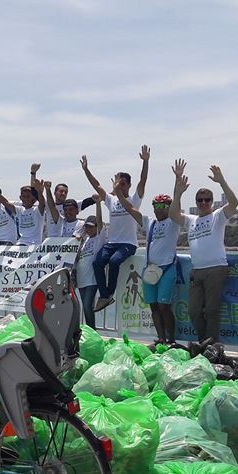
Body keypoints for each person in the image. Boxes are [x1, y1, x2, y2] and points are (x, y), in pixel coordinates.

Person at [170, 160, 238, 343]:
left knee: (211, 310)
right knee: (193, 311)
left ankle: (211, 344)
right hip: (197, 271)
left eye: (207, 200)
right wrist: (178, 191)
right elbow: (173, 215)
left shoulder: (217, 216)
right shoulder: (191, 220)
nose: (203, 203)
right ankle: (203, 342)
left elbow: (234, 202)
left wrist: (221, 180)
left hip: (216, 268)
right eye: (200, 200)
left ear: (212, 202)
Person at [82, 145, 151, 311]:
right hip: (112, 243)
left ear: (128, 185)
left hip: (128, 244)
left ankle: (108, 295)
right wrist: (86, 169)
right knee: (97, 263)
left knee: (114, 262)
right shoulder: (112, 200)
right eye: (117, 182)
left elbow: (143, 181)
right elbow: (96, 185)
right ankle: (104, 295)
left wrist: (145, 162)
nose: (119, 186)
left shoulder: (134, 199)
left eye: (123, 183)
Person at [117, 191, 181, 344]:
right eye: (156, 206)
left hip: (167, 268)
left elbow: (176, 206)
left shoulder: (174, 222)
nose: (159, 209)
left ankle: (171, 340)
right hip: (150, 270)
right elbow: (131, 209)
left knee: (164, 306)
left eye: (163, 206)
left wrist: (178, 187)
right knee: (153, 306)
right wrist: (119, 195)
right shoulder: (150, 222)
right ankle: (161, 338)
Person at [72, 197, 105, 328]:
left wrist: (98, 204)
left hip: (91, 280)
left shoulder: (99, 238)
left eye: (91, 227)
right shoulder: (84, 240)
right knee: (85, 307)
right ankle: (88, 330)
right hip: (81, 280)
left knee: (87, 306)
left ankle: (92, 330)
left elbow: (101, 223)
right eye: (87, 227)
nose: (89, 229)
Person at [14, 166, 47, 246]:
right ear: (20, 197)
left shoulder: (38, 209)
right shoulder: (18, 208)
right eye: (24, 196)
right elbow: (4, 202)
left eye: (28, 196)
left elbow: (40, 200)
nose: (26, 199)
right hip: (21, 244)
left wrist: (39, 191)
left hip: (35, 244)